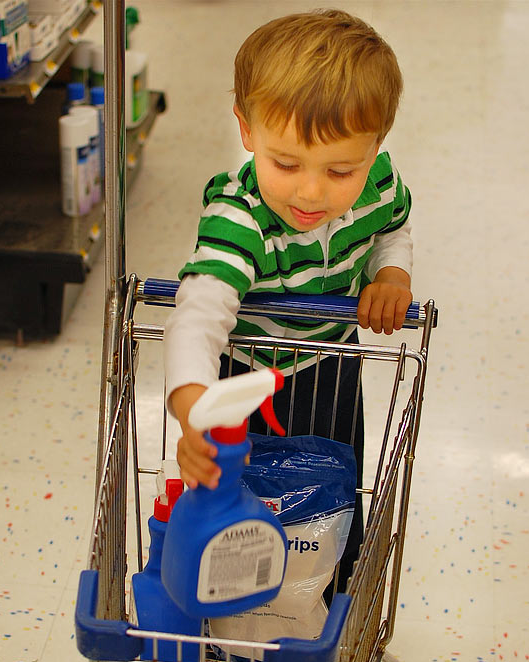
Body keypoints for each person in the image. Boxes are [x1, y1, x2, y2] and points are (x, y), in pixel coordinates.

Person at [164, 9, 413, 595]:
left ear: (376, 146)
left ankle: (325, 603)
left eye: (341, 170)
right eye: (286, 163)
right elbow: (198, 316)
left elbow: (393, 226)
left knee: (334, 496)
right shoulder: (239, 216)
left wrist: (391, 275)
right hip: (243, 381)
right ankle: (237, 620)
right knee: (240, 511)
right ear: (246, 130)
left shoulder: (378, 183)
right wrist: (198, 411)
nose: (311, 191)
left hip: (332, 369)